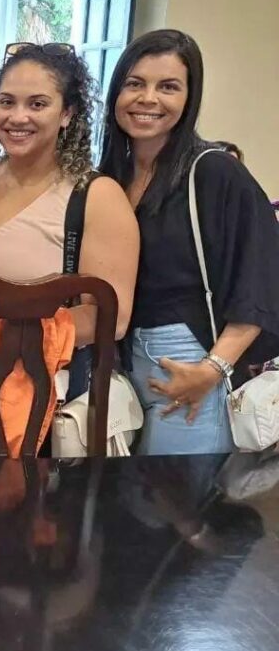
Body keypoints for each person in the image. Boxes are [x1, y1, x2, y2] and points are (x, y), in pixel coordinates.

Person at [98, 29, 279, 454]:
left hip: (189, 360)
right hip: (122, 362)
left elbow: (260, 277)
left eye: (168, 87)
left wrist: (212, 369)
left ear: (189, 97)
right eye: (135, 83)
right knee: (128, 490)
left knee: (179, 491)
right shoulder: (111, 175)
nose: (148, 99)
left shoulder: (214, 171)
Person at [0, 42, 138, 397]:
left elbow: (111, 318)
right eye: (6, 102)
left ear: (67, 113)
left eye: (37, 104)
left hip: (40, 391)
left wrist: (1, 329)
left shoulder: (96, 197)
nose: (17, 117)